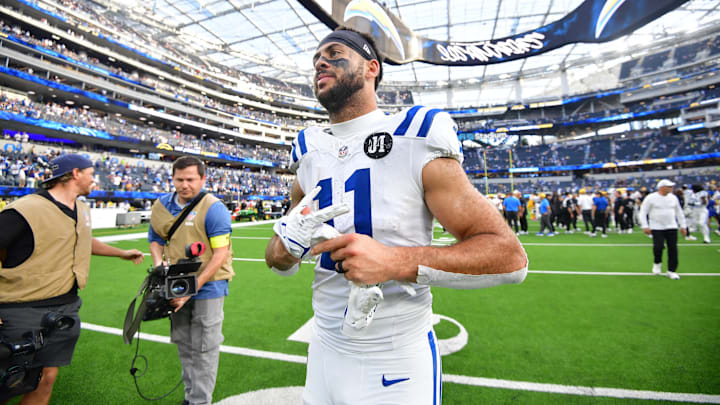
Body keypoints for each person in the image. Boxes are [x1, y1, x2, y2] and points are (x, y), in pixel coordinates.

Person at [264, 27, 527, 405]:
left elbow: (509, 258)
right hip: (322, 347)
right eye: (315, 59)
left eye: (335, 53)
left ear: (372, 68)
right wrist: (287, 246)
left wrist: (393, 262)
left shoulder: (415, 135)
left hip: (395, 355)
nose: (320, 61)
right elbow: (278, 260)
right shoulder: (308, 150)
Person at [0, 154, 144, 405]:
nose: (94, 179)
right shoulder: (25, 209)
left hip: (64, 307)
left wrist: (121, 253)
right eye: (91, 173)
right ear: (75, 173)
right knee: (7, 382)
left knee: (46, 378)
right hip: (21, 307)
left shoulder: (81, 208)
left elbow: (82, 240)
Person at [148, 156, 235, 405]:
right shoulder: (161, 206)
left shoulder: (214, 208)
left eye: (191, 179)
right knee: (184, 342)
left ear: (203, 179)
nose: (185, 185)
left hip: (210, 284)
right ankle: (191, 396)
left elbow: (220, 254)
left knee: (205, 346)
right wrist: (158, 265)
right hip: (175, 283)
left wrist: (194, 287)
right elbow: (156, 239)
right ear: (172, 179)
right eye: (179, 179)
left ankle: (200, 401)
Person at [639, 179, 687, 280]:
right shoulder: (651, 198)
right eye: (669, 186)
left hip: (672, 226)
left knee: (673, 248)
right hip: (656, 226)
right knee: (658, 247)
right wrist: (645, 225)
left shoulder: (673, 198)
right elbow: (643, 212)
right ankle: (657, 263)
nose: (671, 188)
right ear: (662, 187)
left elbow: (679, 212)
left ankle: (671, 271)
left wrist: (683, 226)